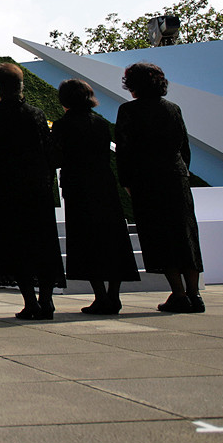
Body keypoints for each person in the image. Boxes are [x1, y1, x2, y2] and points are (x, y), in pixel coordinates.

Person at [115, 63, 205, 313]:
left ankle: (178, 293)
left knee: (159, 235)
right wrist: (181, 171)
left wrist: (127, 181)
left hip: (147, 180)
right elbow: (183, 146)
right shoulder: (173, 109)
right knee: (185, 233)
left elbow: (124, 151)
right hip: (175, 176)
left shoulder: (128, 111)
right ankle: (194, 294)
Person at [0, 63, 65, 320]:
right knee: (44, 245)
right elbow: (49, 154)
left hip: (8, 194)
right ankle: (47, 300)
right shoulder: (36, 115)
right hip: (37, 191)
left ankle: (30, 302)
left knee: (16, 247)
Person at [51, 80, 140, 314]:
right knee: (113, 238)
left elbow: (56, 158)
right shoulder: (100, 123)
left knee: (86, 240)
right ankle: (114, 295)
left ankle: (100, 296)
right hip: (104, 184)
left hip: (78, 186)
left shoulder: (62, 125)